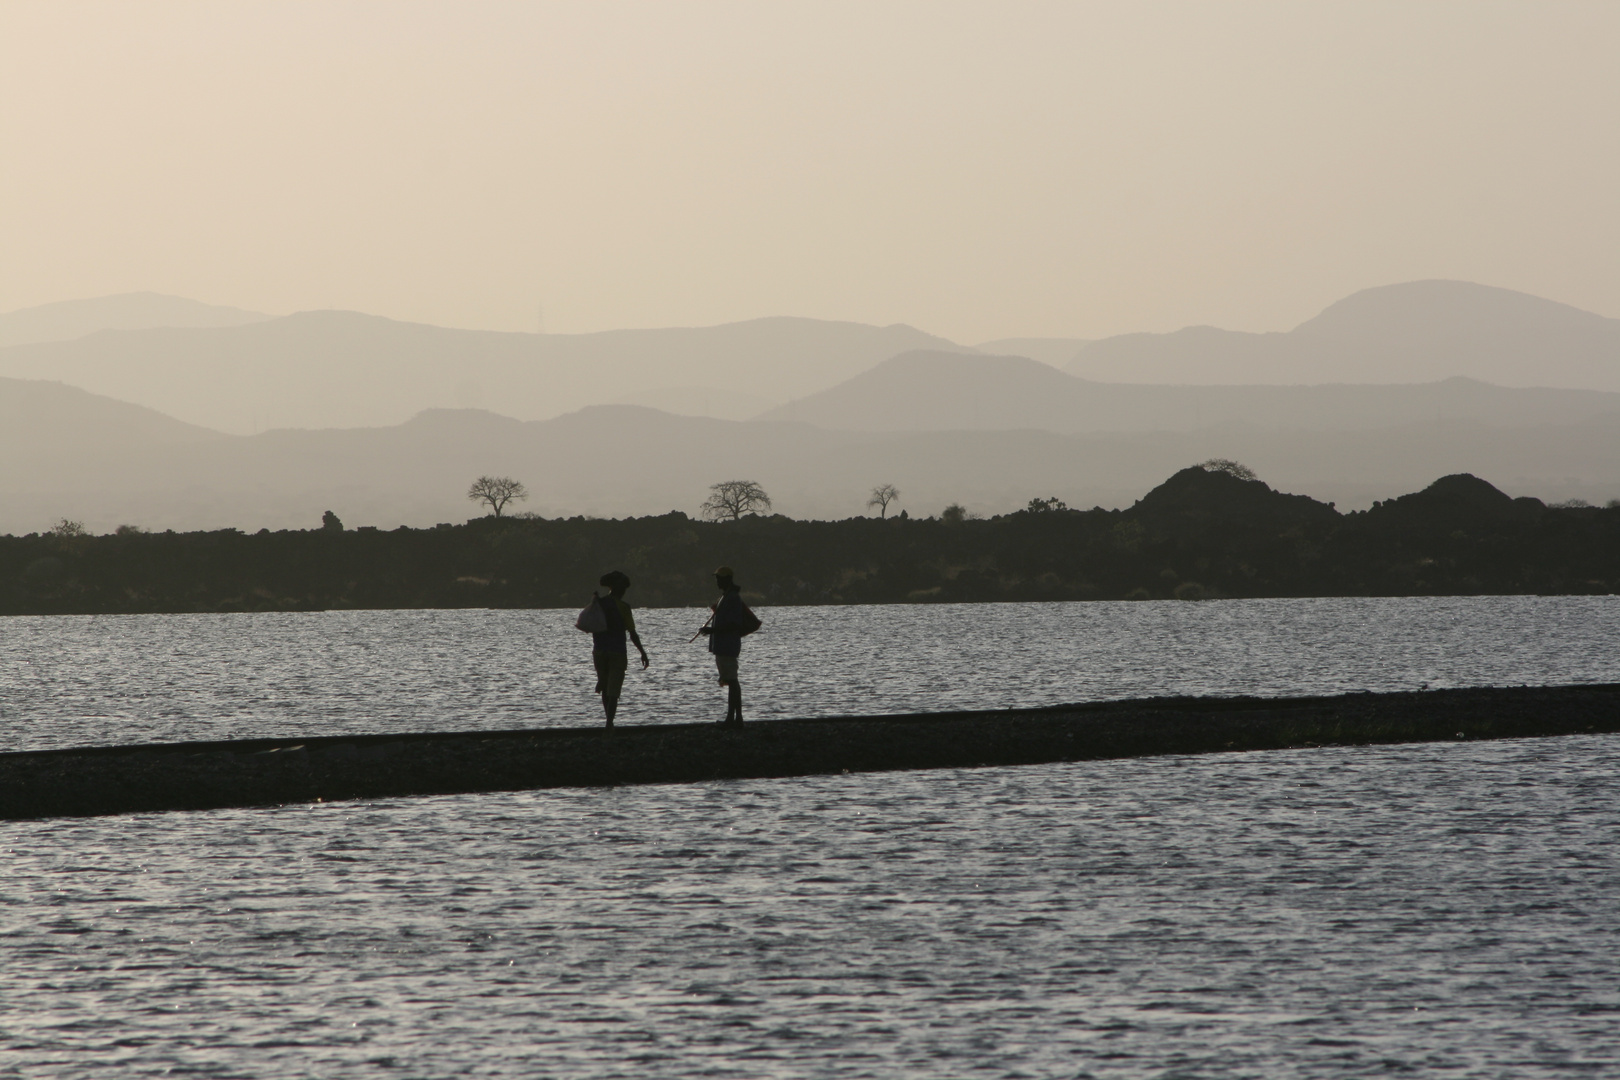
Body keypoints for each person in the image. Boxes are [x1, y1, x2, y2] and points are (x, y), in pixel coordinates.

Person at [591, 570, 649, 727]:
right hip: (617, 652)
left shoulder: (599, 603)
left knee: (605, 688)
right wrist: (642, 652)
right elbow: (632, 633)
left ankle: (608, 722)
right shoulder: (623, 607)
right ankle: (609, 724)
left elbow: (590, 625)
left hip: (599, 651)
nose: (624, 592)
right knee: (614, 691)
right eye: (623, 589)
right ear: (618, 589)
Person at [698, 565, 751, 726]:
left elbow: (734, 624)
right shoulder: (726, 597)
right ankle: (732, 718)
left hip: (728, 645)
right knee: (730, 680)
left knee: (732, 681)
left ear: (726, 579)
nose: (717, 582)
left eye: (719, 579)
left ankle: (736, 719)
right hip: (723, 646)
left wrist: (712, 630)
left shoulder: (732, 597)